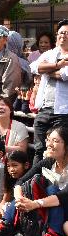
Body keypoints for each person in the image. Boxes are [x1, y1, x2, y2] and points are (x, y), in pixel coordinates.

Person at [0, 127, 68, 236]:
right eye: (48, 140)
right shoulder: (48, 162)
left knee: (52, 189)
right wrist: (19, 200)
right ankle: (7, 225)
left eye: (55, 141)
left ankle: (53, 235)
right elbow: (20, 181)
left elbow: (64, 195)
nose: (49, 144)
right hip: (47, 206)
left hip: (64, 209)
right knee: (32, 182)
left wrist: (35, 204)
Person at [31, 19, 68, 165]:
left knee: (59, 152)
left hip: (63, 112)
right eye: (60, 33)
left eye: (66, 33)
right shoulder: (51, 53)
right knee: (39, 149)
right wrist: (57, 65)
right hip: (44, 109)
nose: (63, 36)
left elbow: (64, 75)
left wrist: (47, 71)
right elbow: (34, 67)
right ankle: (34, 184)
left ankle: (56, 185)